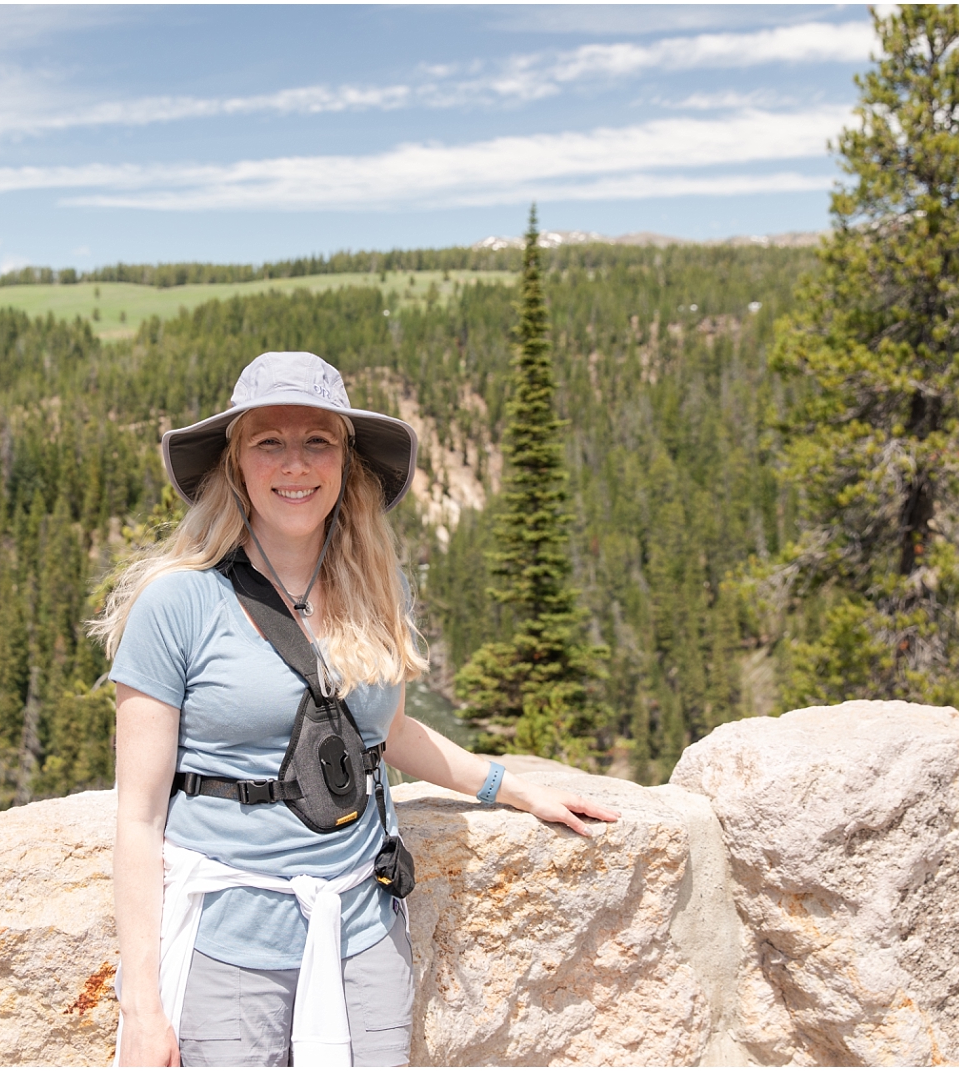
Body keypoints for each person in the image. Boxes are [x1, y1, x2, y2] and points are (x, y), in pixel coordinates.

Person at [95, 351, 621, 1067]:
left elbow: (388, 730)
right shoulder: (177, 604)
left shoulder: (374, 586)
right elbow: (138, 817)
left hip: (363, 928)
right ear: (235, 463)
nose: (295, 465)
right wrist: (141, 1004)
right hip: (229, 943)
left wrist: (513, 786)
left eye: (318, 441)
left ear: (346, 461)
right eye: (268, 442)